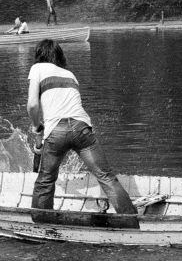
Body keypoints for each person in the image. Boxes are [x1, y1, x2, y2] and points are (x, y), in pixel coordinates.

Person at [27, 39, 136, 217]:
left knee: (45, 181)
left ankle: (42, 224)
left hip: (57, 131)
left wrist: (36, 126)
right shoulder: (70, 75)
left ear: (39, 55)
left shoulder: (37, 68)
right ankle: (131, 221)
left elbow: (32, 105)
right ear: (59, 55)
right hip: (82, 129)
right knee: (107, 177)